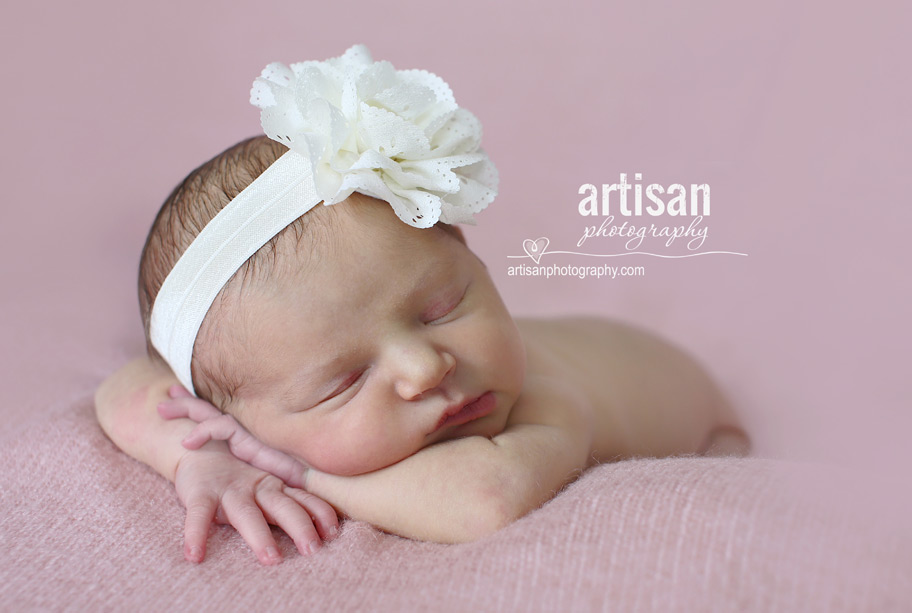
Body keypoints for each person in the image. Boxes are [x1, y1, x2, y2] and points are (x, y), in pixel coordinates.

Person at [95, 45, 750, 566]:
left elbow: (484, 499)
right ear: (227, 411)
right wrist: (199, 456)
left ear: (473, 257)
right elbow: (125, 391)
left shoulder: (542, 398)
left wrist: (296, 470)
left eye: (441, 308)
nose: (425, 365)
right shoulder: (251, 382)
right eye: (344, 379)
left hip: (703, 420)